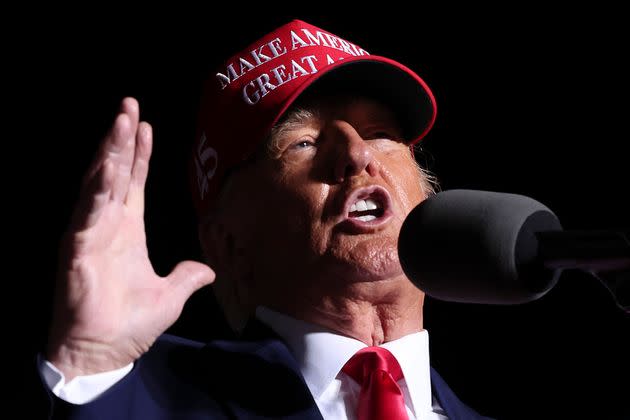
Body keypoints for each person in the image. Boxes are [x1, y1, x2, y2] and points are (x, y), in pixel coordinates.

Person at [36, 19, 492, 419]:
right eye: (304, 144)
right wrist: (90, 368)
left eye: (381, 134)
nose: (357, 155)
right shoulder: (145, 399)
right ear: (228, 242)